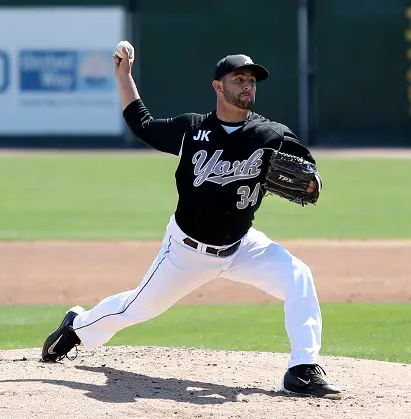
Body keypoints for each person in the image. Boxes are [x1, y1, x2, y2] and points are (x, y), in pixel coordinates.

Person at [41, 46, 342, 400]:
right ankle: (78, 326)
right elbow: (143, 124)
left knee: (298, 275)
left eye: (251, 81)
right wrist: (124, 76)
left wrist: (313, 182)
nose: (248, 86)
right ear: (219, 86)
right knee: (138, 308)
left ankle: (302, 369)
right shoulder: (193, 129)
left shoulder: (270, 134)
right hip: (187, 250)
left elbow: (307, 169)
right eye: (239, 79)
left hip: (243, 245)